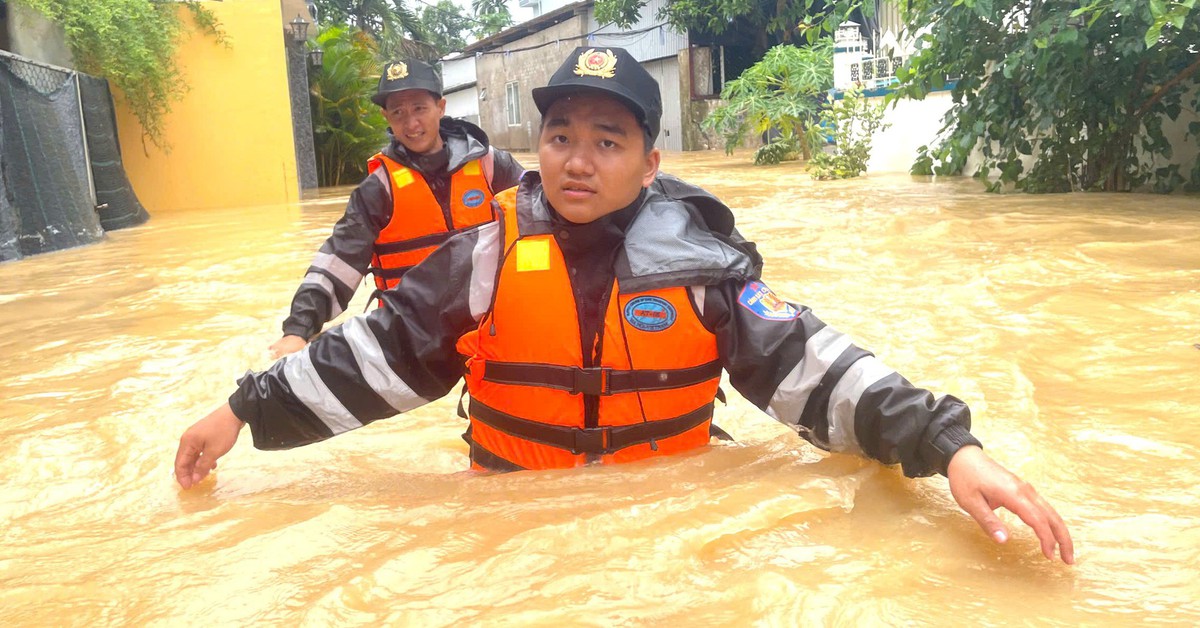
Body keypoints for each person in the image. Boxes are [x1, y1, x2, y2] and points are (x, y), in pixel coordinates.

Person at [178, 47, 1074, 564]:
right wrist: (242, 409)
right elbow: (376, 355)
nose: (577, 159)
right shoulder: (483, 257)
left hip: (672, 521)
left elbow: (811, 365)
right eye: (562, 137)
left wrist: (947, 447)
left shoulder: (703, 268)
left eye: (607, 141)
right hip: (511, 515)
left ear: (650, 162)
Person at [268, 58, 525, 359]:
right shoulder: (378, 188)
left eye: (419, 108)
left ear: (440, 107)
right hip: (415, 333)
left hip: (489, 321)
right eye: (398, 113)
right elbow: (338, 259)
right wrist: (297, 331)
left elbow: (547, 216)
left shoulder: (491, 164)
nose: (411, 124)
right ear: (385, 117)